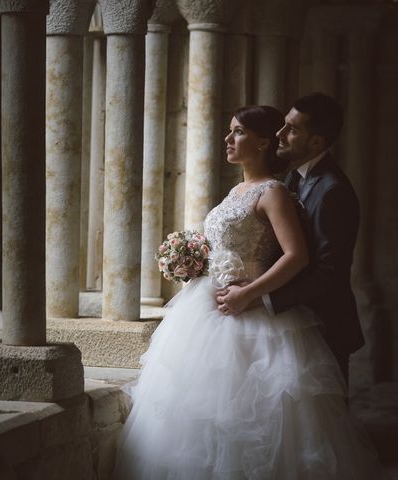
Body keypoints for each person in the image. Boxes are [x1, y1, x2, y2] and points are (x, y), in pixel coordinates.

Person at [112, 105, 384, 479]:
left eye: (237, 132)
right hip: (209, 309)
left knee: (255, 420)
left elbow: (298, 256)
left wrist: (251, 294)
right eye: (230, 131)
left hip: (253, 312)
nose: (228, 139)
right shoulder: (245, 188)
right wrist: (194, 258)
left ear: (261, 142)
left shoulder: (275, 191)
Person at [218, 93, 362, 385]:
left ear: (317, 142)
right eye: (282, 125)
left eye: (292, 129)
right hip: (284, 315)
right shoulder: (292, 178)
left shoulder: (332, 191)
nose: (279, 134)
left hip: (323, 321)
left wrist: (259, 297)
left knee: (320, 419)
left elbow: (328, 273)